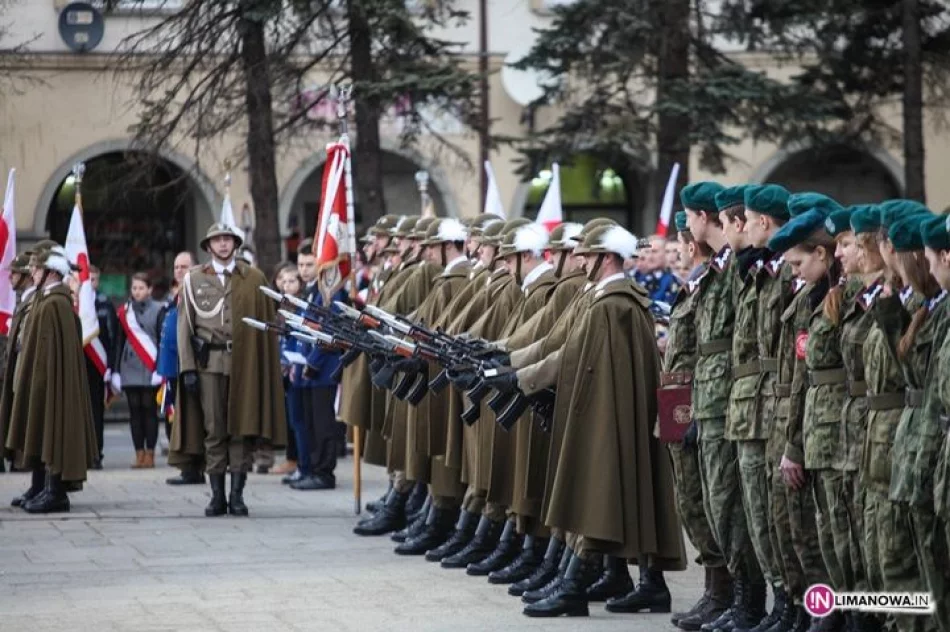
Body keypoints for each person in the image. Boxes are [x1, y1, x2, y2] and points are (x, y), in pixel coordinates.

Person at [496, 224, 685, 618]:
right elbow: (559, 346)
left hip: (606, 413)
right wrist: (508, 366)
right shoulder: (606, 298)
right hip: (605, 409)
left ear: (607, 257)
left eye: (586, 253)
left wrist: (520, 379)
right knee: (615, 490)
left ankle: (574, 586)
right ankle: (644, 583)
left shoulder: (612, 304)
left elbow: (569, 356)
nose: (578, 259)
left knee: (599, 489)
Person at [170, 223, 286, 517]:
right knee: (214, 429)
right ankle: (217, 495)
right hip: (208, 363)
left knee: (240, 429)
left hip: (244, 362)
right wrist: (187, 369)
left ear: (235, 244)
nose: (222, 245)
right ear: (208, 247)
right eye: (216, 240)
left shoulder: (253, 278)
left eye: (227, 240)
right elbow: (185, 326)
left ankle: (237, 494)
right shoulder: (194, 279)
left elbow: (269, 322)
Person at [5, 246, 98, 513]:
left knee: (52, 432)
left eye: (36, 268)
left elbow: (56, 355)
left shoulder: (56, 303)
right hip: (39, 380)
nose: (31, 272)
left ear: (50, 271)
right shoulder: (44, 300)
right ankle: (41, 486)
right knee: (40, 432)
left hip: (51, 384)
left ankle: (54, 491)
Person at [160, 252, 205, 485]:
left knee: (192, 418)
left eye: (184, 266)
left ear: (195, 267)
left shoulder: (199, 293)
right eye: (176, 266)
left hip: (190, 365)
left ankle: (195, 467)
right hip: (172, 367)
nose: (179, 270)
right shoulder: (175, 296)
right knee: (176, 419)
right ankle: (186, 465)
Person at [114, 272, 164, 468]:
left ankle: (150, 453)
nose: (137, 292)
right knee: (134, 411)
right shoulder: (124, 312)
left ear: (150, 289)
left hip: (150, 365)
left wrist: (160, 368)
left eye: (141, 288)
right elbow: (119, 341)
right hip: (130, 366)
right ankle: (139, 453)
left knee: (149, 409)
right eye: (134, 288)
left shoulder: (159, 310)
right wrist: (115, 370)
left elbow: (161, 340)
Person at [90, 265, 119, 468]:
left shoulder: (104, 302)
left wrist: (110, 365)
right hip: (80, 363)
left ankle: (96, 453)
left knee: (96, 411)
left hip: (98, 365)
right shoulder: (75, 302)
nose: (91, 283)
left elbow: (111, 334)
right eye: (87, 279)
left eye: (94, 279)